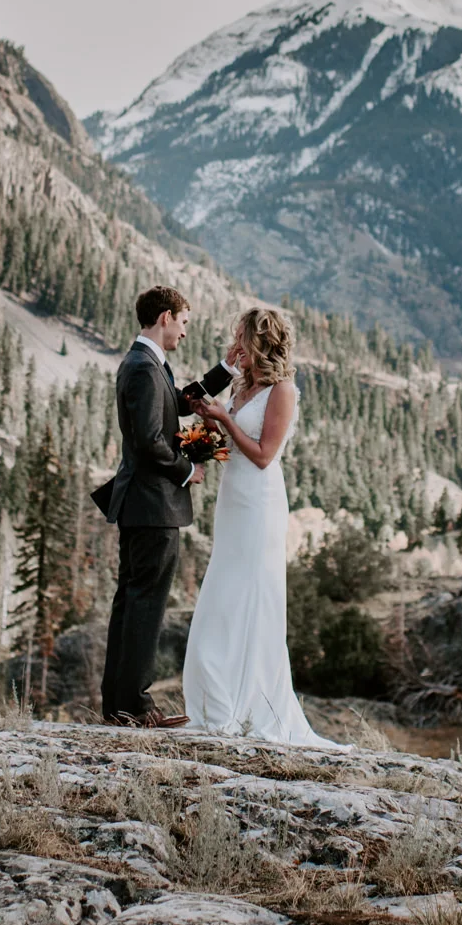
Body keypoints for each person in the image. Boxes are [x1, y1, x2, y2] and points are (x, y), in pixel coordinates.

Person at [181, 306, 337, 747]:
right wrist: (208, 417)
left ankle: (252, 704)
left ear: (261, 343)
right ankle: (215, 700)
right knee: (223, 591)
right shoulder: (242, 385)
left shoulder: (283, 391)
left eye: (241, 337)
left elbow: (265, 454)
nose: (235, 344)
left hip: (261, 501)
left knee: (250, 593)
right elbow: (231, 443)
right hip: (233, 498)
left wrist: (226, 418)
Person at [100, 285, 201, 728]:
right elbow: (147, 441)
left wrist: (223, 371)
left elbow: (175, 404)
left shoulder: (148, 364)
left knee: (132, 601)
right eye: (182, 321)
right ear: (165, 317)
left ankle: (120, 705)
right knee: (145, 604)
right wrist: (186, 470)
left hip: (144, 505)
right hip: (151, 505)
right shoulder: (142, 368)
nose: (184, 331)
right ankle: (136, 707)